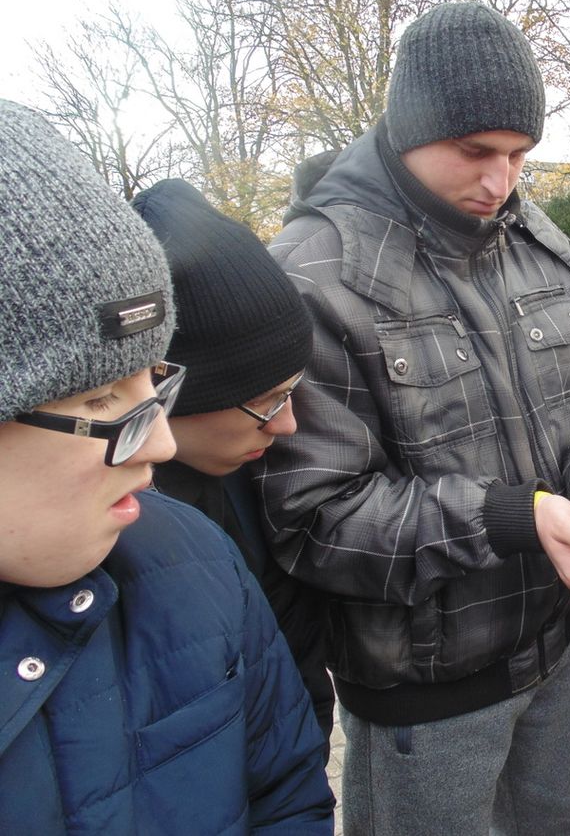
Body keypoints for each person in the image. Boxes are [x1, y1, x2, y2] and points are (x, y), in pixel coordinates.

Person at [256, 2, 570, 836]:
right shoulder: (316, 276)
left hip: (558, 649)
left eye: (519, 155)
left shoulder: (538, 238)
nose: (500, 182)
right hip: (424, 694)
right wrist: (515, 517)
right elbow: (316, 519)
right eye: (476, 152)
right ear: (408, 128)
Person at [0, 100, 335, 833]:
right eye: (101, 397)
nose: (155, 446)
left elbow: (286, 789)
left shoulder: (188, 556)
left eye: (154, 385)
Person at [130, 178, 335, 747]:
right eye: (265, 403)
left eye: (292, 391)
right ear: (171, 395)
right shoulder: (110, 535)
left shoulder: (252, 476)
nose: (288, 425)